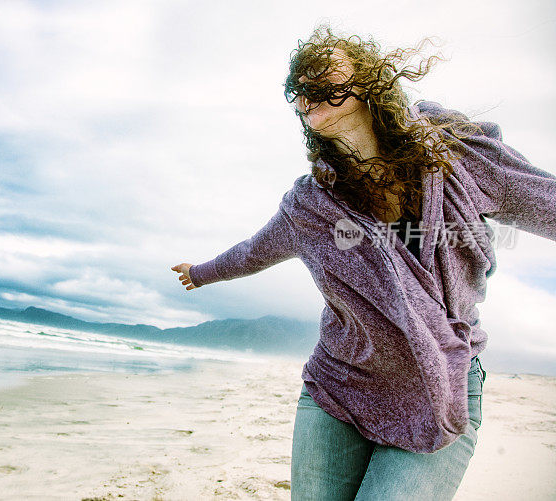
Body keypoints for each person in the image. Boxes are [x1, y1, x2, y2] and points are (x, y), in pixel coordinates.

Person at [171, 25, 556, 500]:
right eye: (301, 86)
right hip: (340, 385)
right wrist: (201, 272)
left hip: (440, 384)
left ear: (369, 80)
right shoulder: (309, 206)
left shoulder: (454, 154)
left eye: (325, 71)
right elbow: (252, 252)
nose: (309, 86)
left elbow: (541, 197)